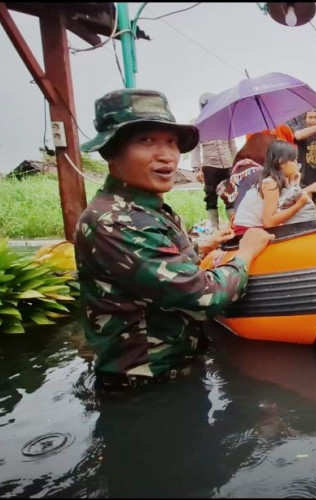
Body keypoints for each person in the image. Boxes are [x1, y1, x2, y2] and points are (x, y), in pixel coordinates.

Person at [76, 88, 274, 390]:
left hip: (176, 368)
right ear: (110, 151)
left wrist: (197, 246)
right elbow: (203, 297)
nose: (166, 155)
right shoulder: (115, 220)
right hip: (145, 386)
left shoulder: (146, 208)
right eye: (146, 141)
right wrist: (246, 253)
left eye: (171, 142)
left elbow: (151, 265)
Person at [233, 140, 316, 234]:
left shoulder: (275, 181)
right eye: (294, 161)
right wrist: (299, 205)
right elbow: (269, 223)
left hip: (254, 228)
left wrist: (295, 182)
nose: (297, 165)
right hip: (246, 231)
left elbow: (285, 203)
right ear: (282, 163)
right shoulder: (271, 183)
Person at [191, 92, 238, 229]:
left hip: (227, 165)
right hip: (210, 167)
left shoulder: (226, 122)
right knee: (210, 197)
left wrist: (236, 164)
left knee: (230, 196)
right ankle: (215, 230)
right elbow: (195, 148)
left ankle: (234, 229)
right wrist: (197, 169)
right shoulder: (197, 123)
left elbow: (232, 145)